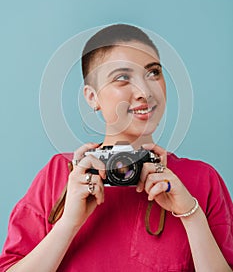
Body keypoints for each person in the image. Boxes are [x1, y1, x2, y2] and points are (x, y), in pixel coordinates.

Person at [0, 24, 232, 272]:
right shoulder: (60, 174)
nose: (145, 91)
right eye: (122, 78)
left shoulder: (202, 180)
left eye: (153, 73)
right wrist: (68, 223)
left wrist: (190, 214)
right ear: (92, 97)